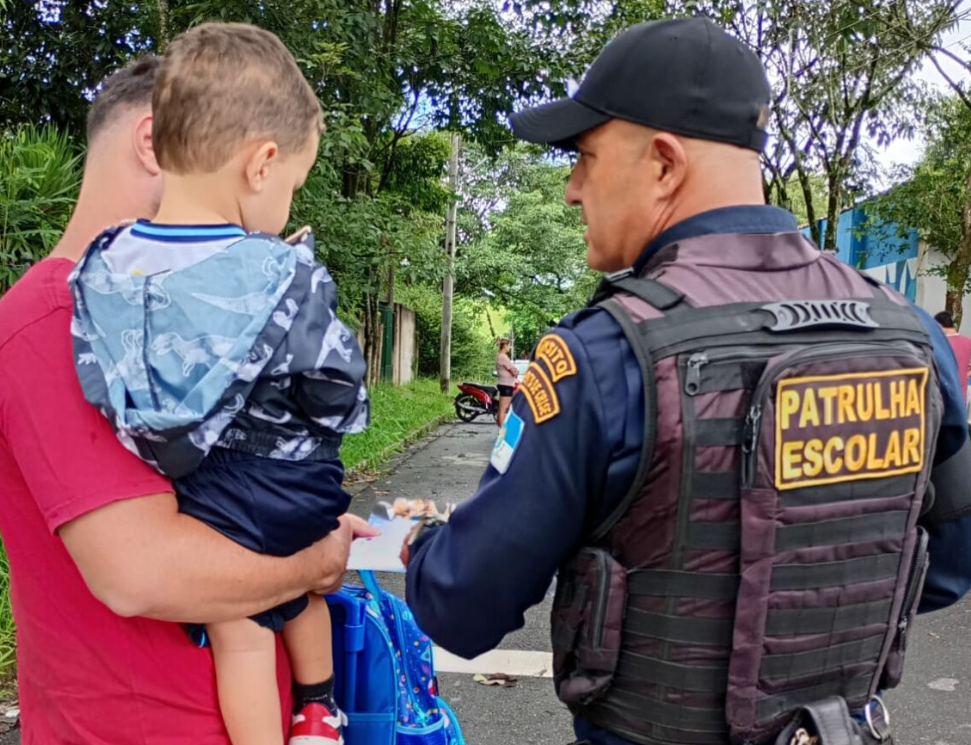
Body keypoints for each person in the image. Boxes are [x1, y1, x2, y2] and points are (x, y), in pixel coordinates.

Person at [402, 18, 971, 745]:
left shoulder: (604, 355)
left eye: (585, 158)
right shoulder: (908, 332)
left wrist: (423, 544)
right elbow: (946, 570)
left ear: (664, 163)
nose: (573, 190)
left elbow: (463, 604)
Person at [0, 56, 374, 745]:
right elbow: (141, 572)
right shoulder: (59, 320)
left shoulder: (178, 314)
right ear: (156, 143)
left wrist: (291, 507)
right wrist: (315, 559)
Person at [934, 311, 971, 403]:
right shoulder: (968, 342)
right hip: (961, 394)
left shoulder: (940, 343)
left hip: (943, 395)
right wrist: (965, 375)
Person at [495, 338, 519, 427]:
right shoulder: (503, 357)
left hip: (504, 384)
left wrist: (515, 371)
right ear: (505, 346)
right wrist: (516, 372)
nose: (510, 347)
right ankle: (502, 430)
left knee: (502, 408)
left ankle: (502, 428)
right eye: (509, 345)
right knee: (503, 409)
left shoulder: (500, 356)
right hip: (506, 385)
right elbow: (514, 372)